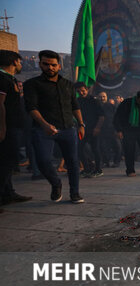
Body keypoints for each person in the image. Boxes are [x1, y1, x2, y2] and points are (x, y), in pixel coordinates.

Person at [23, 50, 85, 204]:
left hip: (68, 128)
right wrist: (44, 125)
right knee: (43, 160)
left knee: (72, 161)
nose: (50, 67)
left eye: (53, 65)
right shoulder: (32, 84)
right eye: (46, 64)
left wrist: (81, 124)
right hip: (43, 129)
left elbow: (74, 106)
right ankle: (56, 183)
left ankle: (75, 193)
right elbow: (31, 107)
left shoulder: (68, 85)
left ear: (59, 66)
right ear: (40, 64)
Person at [0, 50, 32, 209]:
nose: (20, 65)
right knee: (7, 162)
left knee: (9, 162)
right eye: (19, 62)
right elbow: (0, 104)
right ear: (14, 62)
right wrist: (2, 127)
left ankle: (8, 193)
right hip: (8, 127)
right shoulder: (2, 79)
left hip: (14, 126)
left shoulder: (9, 78)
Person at [113, 91, 140, 176]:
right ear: (137, 98)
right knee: (129, 151)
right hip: (129, 130)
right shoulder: (127, 103)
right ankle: (130, 171)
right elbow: (117, 117)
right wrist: (119, 130)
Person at [75, 82, 104, 177]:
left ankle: (98, 170)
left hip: (93, 128)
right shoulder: (77, 101)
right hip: (83, 129)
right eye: (79, 91)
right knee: (79, 149)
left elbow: (101, 116)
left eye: (83, 91)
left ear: (87, 90)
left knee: (95, 149)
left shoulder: (94, 100)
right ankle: (87, 169)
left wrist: (97, 128)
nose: (81, 93)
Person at [98, 91, 121, 167]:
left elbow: (117, 117)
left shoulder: (111, 106)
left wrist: (118, 129)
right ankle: (105, 161)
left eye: (104, 96)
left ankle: (116, 161)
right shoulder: (96, 106)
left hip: (112, 128)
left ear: (106, 97)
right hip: (102, 129)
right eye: (100, 97)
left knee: (116, 145)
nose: (102, 98)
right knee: (103, 146)